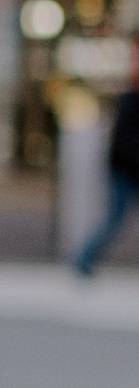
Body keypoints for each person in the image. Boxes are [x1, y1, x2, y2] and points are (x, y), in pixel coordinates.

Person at [72, 81, 139, 273]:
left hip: (128, 170)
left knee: (114, 220)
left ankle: (84, 259)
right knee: (114, 220)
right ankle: (84, 259)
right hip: (126, 172)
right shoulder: (131, 102)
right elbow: (125, 142)